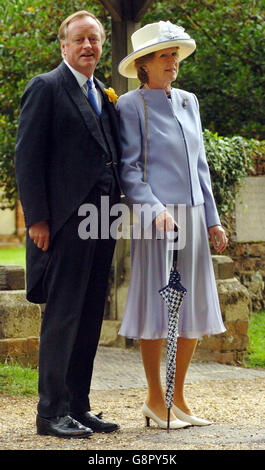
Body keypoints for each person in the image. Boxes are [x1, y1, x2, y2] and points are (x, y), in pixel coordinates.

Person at [117, 21, 228, 430]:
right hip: (156, 222)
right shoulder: (130, 105)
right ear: (144, 64)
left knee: (194, 305)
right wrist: (153, 208)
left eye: (175, 54)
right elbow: (129, 170)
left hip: (194, 217)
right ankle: (153, 399)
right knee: (156, 306)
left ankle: (177, 399)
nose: (173, 61)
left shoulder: (189, 101)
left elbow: (200, 167)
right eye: (165, 54)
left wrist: (212, 219)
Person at [15, 11, 121, 438]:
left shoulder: (102, 92)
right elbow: (27, 158)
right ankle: (50, 412)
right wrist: (37, 220)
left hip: (104, 220)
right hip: (63, 223)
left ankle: (78, 405)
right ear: (63, 46)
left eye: (94, 39)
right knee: (62, 317)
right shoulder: (46, 87)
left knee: (92, 313)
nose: (87, 46)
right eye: (79, 39)